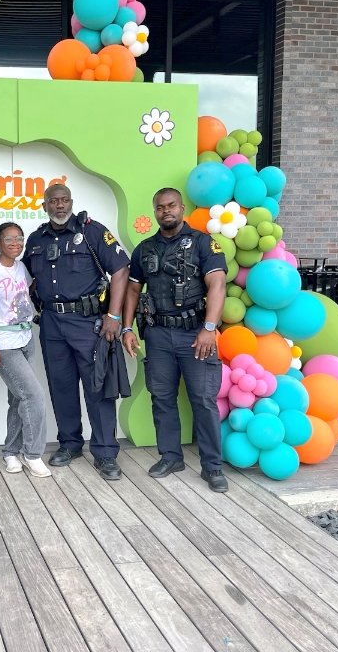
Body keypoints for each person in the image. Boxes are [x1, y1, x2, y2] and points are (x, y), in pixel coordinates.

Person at [121, 187, 229, 493]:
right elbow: (132, 290)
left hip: (196, 334)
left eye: (171, 206)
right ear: (154, 211)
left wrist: (209, 327)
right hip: (157, 335)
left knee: (203, 401)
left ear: (181, 208)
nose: (166, 211)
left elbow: (217, 284)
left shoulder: (204, 243)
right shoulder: (144, 249)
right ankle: (171, 456)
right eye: (160, 207)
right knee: (162, 398)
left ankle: (212, 467)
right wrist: (127, 329)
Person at [22, 183, 129, 480]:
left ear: (71, 201)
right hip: (52, 324)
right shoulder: (35, 240)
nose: (59, 205)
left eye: (64, 200)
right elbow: (24, 277)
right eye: (53, 201)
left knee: (97, 387)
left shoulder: (93, 232)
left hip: (87, 322)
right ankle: (70, 444)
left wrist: (114, 315)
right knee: (61, 385)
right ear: (44, 205)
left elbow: (120, 270)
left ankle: (106, 452)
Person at [0, 222, 51, 478]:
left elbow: (24, 297)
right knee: (34, 397)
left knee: (18, 398)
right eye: (9, 239)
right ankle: (33, 454)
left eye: (19, 238)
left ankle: (11, 452)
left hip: (26, 339)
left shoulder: (21, 268)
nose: (15, 243)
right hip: (3, 344)